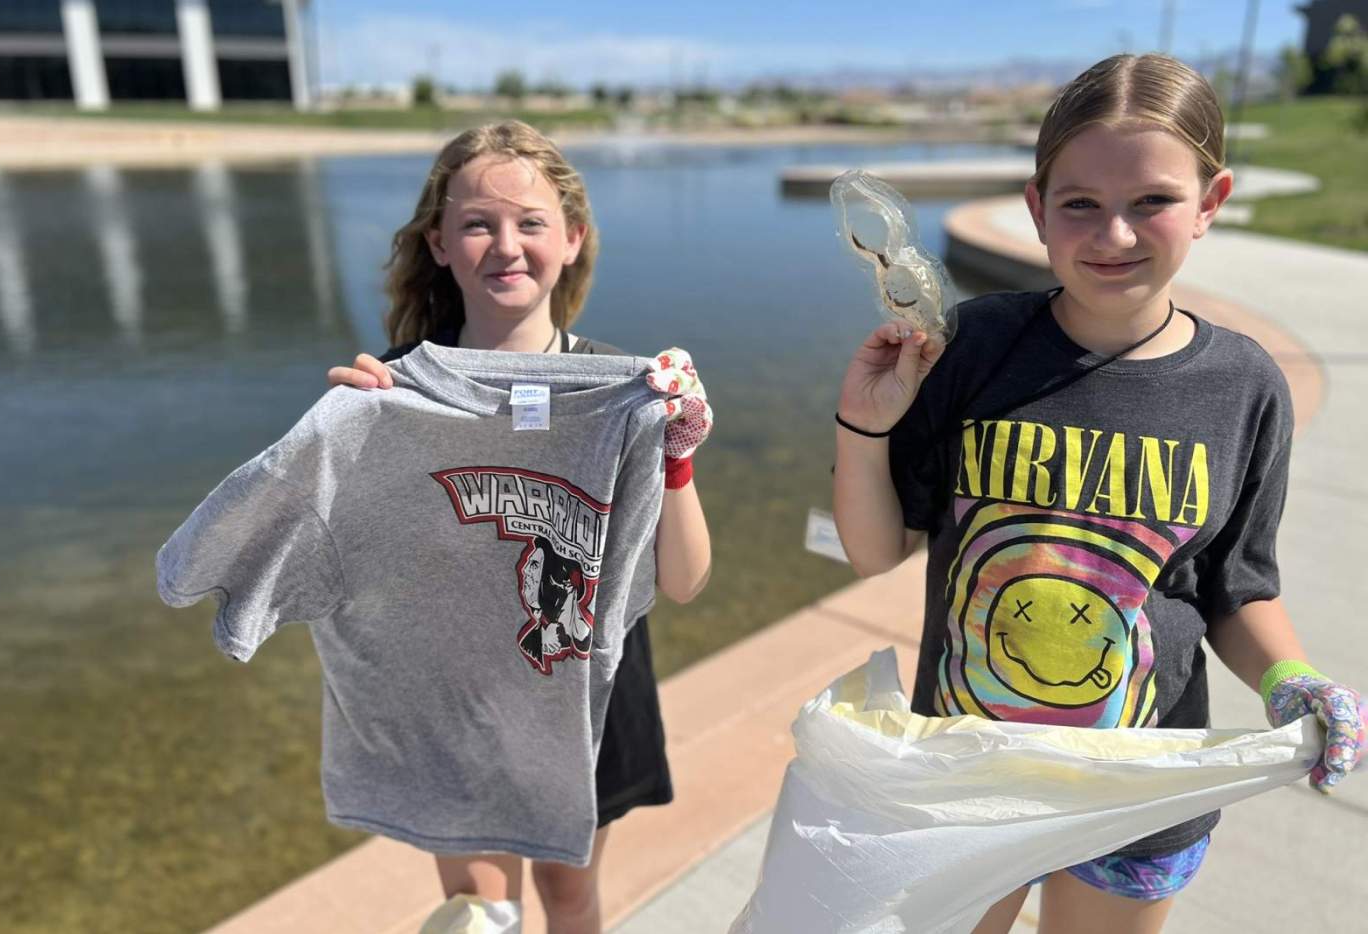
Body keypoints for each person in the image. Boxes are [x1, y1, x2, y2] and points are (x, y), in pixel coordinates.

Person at [831, 53, 1365, 934]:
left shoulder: (1244, 385)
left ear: (1212, 203)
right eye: (1080, 203)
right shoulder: (975, 344)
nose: (1112, 234)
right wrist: (864, 427)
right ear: (1038, 209)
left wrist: (1291, 676)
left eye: (1151, 201)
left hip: (1139, 785)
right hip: (973, 772)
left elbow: (1236, 588)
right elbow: (874, 549)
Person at [324, 121, 712, 934]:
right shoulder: (392, 391)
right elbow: (349, 575)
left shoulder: (623, 389)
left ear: (572, 240)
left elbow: (683, 581)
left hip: (587, 696)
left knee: (569, 897)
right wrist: (345, 451)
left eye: (530, 222)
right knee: (479, 908)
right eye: (478, 223)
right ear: (438, 242)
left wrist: (675, 455)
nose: (506, 245)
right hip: (455, 698)